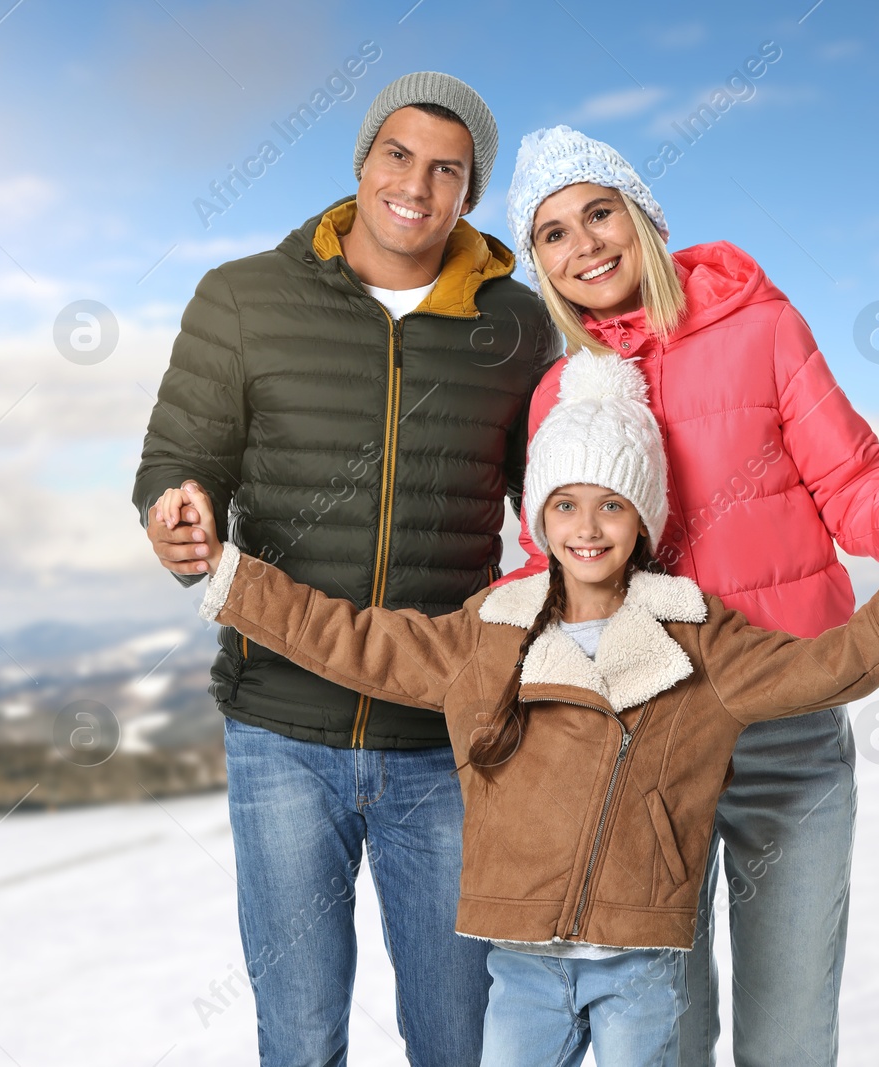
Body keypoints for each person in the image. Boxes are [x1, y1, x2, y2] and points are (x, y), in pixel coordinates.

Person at [157, 348, 879, 1064]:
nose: (587, 527)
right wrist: (230, 574)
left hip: (642, 967)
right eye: (564, 503)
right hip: (520, 965)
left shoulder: (699, 639)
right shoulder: (491, 631)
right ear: (541, 516)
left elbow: (843, 663)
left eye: (611, 504)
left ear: (642, 517)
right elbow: (354, 641)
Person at [495, 125, 879, 1063]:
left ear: (642, 216)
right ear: (540, 264)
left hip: (787, 722)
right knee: (665, 1037)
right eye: (554, 233)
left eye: (599, 212)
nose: (585, 245)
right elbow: (550, 566)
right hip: (644, 746)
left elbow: (852, 487)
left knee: (788, 1036)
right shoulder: (562, 389)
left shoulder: (763, 329)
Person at [132, 73, 553, 1065]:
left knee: (461, 1037)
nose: (417, 183)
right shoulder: (242, 298)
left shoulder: (516, 327)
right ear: (363, 162)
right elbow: (177, 460)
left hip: (443, 742)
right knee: (301, 1035)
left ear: (469, 195)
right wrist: (176, 512)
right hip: (280, 727)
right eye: (398, 155)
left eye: (447, 169)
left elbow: (550, 510)